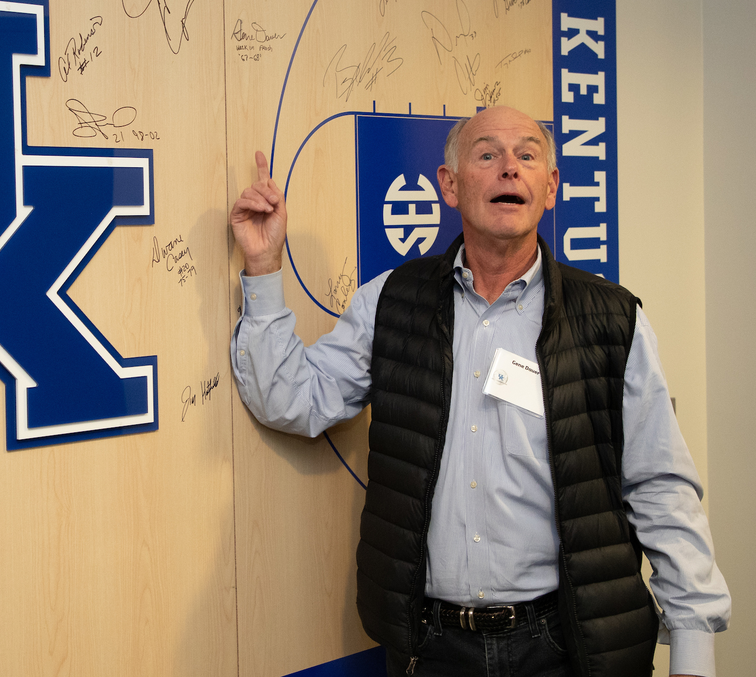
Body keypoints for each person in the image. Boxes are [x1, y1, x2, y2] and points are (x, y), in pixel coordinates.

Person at [229, 106, 729, 677]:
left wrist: (693, 649)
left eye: (527, 155)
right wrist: (264, 265)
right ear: (450, 185)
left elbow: (661, 486)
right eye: (487, 154)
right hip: (432, 649)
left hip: (566, 650)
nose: (509, 169)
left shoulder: (612, 321)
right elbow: (294, 398)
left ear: (551, 187)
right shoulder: (391, 304)